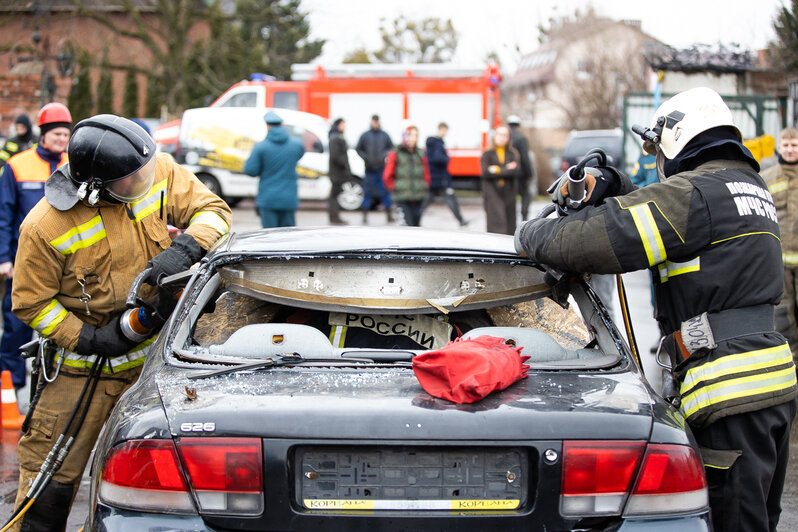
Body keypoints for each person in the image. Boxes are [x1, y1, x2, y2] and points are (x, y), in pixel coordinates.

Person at [515, 87, 796, 532]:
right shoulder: (745, 186)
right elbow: (665, 217)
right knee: (758, 518)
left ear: (677, 138)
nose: (658, 160)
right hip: (768, 383)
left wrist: (529, 232)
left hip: (730, 391)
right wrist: (617, 186)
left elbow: (593, 240)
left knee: (732, 523)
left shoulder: (698, 196)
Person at [7, 114, 231, 531]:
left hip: (154, 367)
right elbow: (30, 303)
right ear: (96, 188)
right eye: (133, 179)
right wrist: (89, 337)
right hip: (78, 375)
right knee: (49, 482)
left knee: (164, 478)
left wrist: (186, 246)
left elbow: (214, 212)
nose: (146, 179)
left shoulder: (151, 168)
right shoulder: (43, 227)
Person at [0, 103, 71, 392]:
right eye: (56, 134)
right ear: (42, 134)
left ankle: (49, 385)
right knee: (16, 328)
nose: (62, 140)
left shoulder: (72, 165)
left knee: (56, 329)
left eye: (66, 135)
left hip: (63, 265)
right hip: (22, 263)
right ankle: (10, 389)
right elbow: (4, 215)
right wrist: (4, 258)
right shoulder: (17, 165)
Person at [762, 127, 798, 359]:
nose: (790, 149)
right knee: (783, 314)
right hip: (780, 261)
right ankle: (790, 361)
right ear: (779, 147)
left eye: (794, 145)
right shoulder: (768, 178)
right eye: (786, 145)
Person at [244, 110, 305, 228]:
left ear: (268, 126)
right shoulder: (297, 145)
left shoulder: (260, 147)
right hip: (289, 199)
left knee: (269, 239)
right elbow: (299, 155)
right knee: (288, 237)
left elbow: (250, 170)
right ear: (281, 125)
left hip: (268, 199)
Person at [421, 122, 467, 226]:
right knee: (450, 200)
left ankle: (414, 220)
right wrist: (447, 158)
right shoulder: (437, 143)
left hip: (434, 177)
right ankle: (461, 221)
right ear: (441, 129)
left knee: (426, 201)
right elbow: (438, 158)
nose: (446, 133)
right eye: (445, 130)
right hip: (440, 178)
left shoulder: (433, 142)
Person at [383, 125, 429, 226]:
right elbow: (387, 175)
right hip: (402, 197)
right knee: (408, 227)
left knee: (417, 225)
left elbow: (426, 172)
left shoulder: (420, 153)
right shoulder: (396, 153)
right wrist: (395, 187)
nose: (413, 138)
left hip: (418, 197)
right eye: (410, 135)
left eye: (415, 135)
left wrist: (424, 185)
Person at [480, 125, 520, 235]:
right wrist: (505, 169)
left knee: (510, 224)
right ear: (494, 136)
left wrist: (496, 170)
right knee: (497, 223)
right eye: (499, 135)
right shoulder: (487, 154)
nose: (502, 138)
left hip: (509, 192)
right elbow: (486, 172)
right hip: (492, 192)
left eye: (505, 135)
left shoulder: (513, 154)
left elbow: (515, 171)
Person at [356, 114, 394, 224]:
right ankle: (364, 215)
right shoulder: (365, 135)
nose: (375, 124)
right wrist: (365, 158)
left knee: (385, 192)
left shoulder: (384, 135)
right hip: (369, 169)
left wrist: (385, 155)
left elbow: (391, 148)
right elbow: (358, 149)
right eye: (374, 121)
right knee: (367, 192)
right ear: (371, 122)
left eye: (377, 122)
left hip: (381, 169)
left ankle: (388, 214)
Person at [507, 115, 535, 221]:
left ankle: (510, 221)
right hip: (521, 173)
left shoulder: (506, 138)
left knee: (510, 197)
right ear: (518, 125)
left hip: (508, 173)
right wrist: (530, 173)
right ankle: (524, 218)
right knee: (525, 196)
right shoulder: (521, 138)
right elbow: (525, 157)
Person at [327, 117, 351, 225]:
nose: (344, 127)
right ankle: (334, 216)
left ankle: (335, 215)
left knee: (335, 194)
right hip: (337, 172)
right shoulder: (336, 138)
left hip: (337, 172)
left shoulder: (336, 137)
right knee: (334, 195)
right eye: (342, 124)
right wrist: (345, 166)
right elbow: (337, 156)